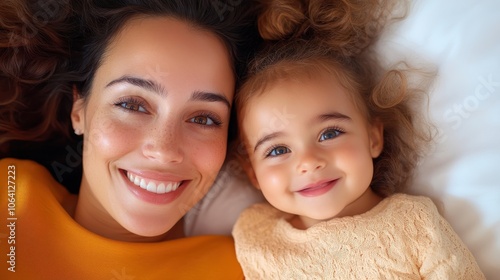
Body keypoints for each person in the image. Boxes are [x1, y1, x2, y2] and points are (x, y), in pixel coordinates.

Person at [0, 0, 260, 278]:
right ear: (79, 109)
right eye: (132, 105)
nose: (164, 149)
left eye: (203, 119)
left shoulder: (249, 267)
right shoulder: (11, 192)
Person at [231, 0, 485, 279]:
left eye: (329, 133)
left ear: (374, 137)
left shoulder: (414, 225)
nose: (308, 162)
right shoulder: (255, 235)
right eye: (278, 149)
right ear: (252, 171)